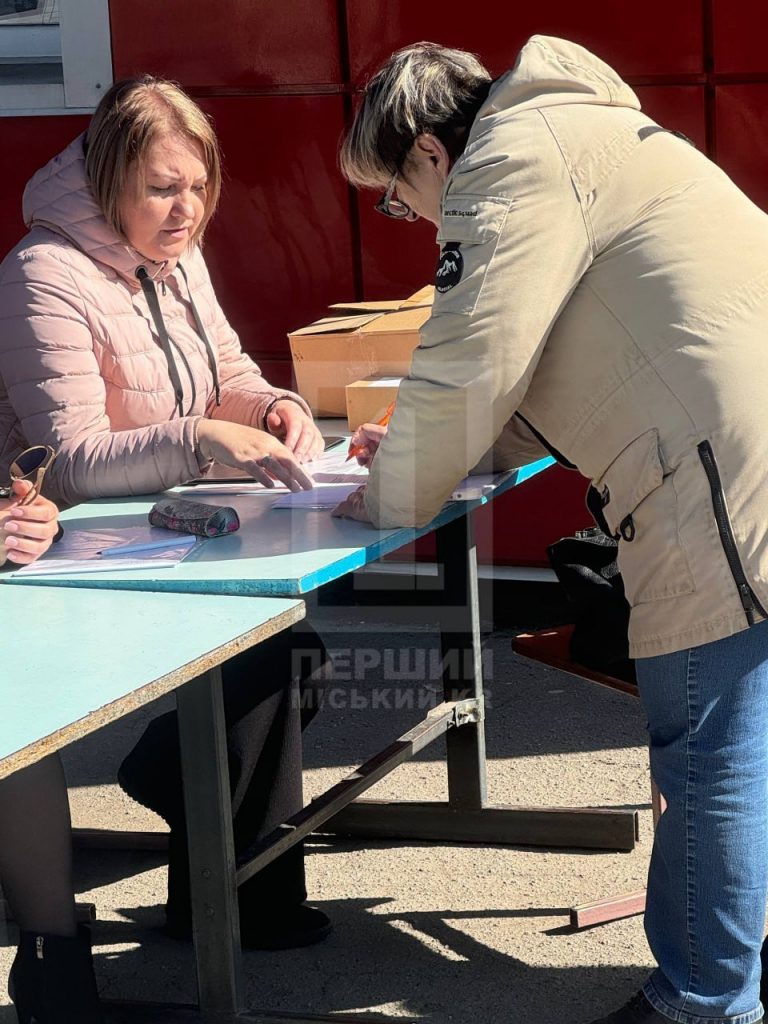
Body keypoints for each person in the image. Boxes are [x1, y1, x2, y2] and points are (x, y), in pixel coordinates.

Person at [336, 35, 768, 1024]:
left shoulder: (506, 166)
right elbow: (562, 349)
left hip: (721, 476)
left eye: (396, 198)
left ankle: (703, 1002)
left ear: (431, 153)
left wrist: (387, 495)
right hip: (746, 446)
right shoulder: (581, 132)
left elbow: (470, 358)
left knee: (707, 746)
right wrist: (434, 449)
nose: (408, 219)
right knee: (746, 736)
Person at [0, 76, 331, 1023]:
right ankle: (86, 938)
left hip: (161, 536)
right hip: (57, 557)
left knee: (284, 654)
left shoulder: (176, 255)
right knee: (246, 663)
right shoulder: (41, 273)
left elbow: (227, 373)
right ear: (109, 183)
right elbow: (67, 460)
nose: (185, 209)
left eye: (198, 186)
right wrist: (199, 438)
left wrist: (273, 408)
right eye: (160, 189)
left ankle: (230, 888)